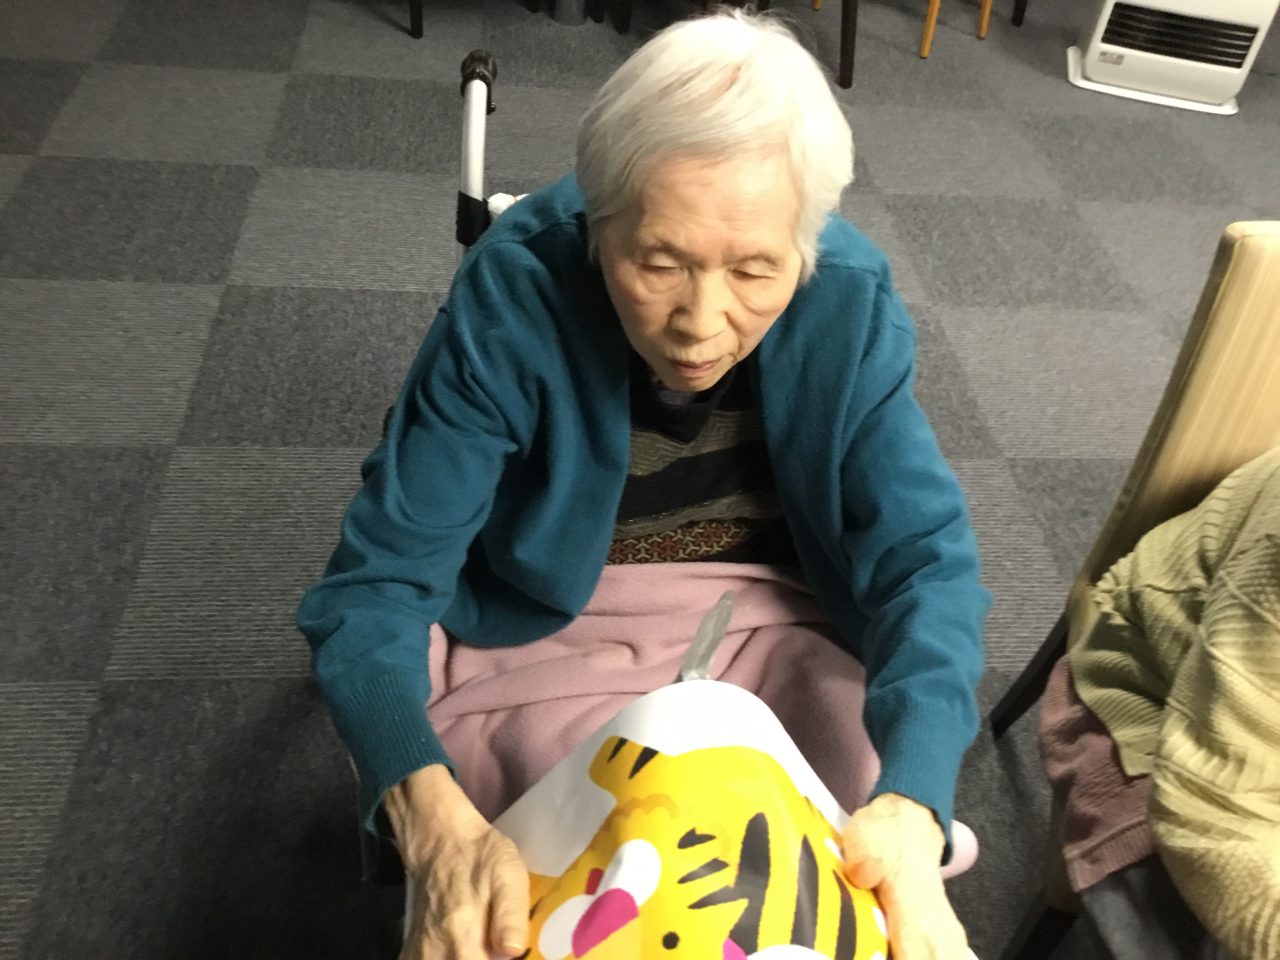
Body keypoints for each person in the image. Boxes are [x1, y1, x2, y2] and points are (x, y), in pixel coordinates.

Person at [298, 10, 989, 960]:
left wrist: (913, 803)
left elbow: (927, 568)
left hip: (770, 613)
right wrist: (428, 820)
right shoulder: (515, 295)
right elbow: (375, 586)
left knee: (854, 851)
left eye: (755, 271)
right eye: (658, 263)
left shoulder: (849, 302)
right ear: (598, 223)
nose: (701, 324)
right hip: (547, 624)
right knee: (516, 887)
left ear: (806, 246)